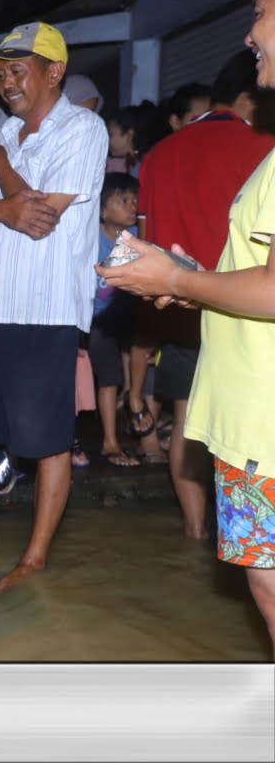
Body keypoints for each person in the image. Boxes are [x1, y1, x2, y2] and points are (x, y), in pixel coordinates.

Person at [96, 0, 275, 655]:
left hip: (265, 419)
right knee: (263, 584)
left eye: (261, 13)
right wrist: (188, 279)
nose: (250, 32)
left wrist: (182, 279)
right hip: (247, 417)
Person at [0, 21, 107, 595]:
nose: (7, 83)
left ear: (54, 72)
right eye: (1, 74)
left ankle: (35, 558)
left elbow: (40, 218)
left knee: (45, 442)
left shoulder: (83, 129)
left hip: (43, 310)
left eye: (18, 71)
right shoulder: (2, 133)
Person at [130, 48, 275, 539]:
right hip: (239, 319)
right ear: (250, 97)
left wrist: (173, 281)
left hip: (183, 314)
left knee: (189, 422)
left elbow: (146, 239)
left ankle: (194, 535)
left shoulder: (159, 155)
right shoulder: (259, 146)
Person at [90, 173, 142, 468]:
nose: (132, 206)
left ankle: (137, 410)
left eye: (134, 199)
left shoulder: (135, 235)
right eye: (123, 200)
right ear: (102, 210)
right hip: (98, 319)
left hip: (126, 313)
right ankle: (110, 441)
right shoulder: (92, 239)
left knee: (145, 345)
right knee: (108, 374)